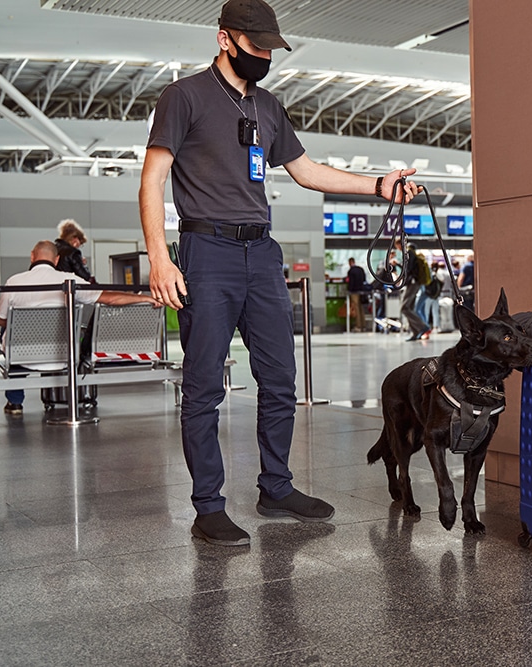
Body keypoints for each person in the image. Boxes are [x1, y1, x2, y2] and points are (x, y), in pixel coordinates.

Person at [138, 0, 422, 547]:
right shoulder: (184, 96)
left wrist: (379, 186)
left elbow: (307, 171)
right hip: (206, 250)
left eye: (271, 48)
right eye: (255, 47)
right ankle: (208, 505)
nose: (265, 56)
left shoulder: (268, 106)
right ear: (225, 40)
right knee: (203, 387)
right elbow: (152, 180)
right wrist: (159, 256)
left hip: (260, 254)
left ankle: (276, 486)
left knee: (281, 379)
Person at [0, 240, 160, 415]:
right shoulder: (70, 280)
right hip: (64, 355)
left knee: (7, 333)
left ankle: (14, 402)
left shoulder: (14, 281)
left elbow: (1, 320)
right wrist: (144, 299)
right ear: (57, 259)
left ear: (32, 256)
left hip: (22, 356)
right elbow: (110, 298)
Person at [399, 242, 431, 342]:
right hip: (415, 283)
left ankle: (422, 326)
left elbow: (408, 269)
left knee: (404, 308)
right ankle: (415, 332)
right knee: (410, 307)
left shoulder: (408, 252)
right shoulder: (413, 253)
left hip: (412, 283)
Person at [345, 257, 368, 332]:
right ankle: (363, 325)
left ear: (350, 262)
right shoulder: (361, 269)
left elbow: (351, 282)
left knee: (356, 308)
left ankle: (358, 326)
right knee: (361, 308)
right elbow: (364, 280)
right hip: (362, 291)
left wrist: (349, 290)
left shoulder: (351, 271)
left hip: (354, 292)